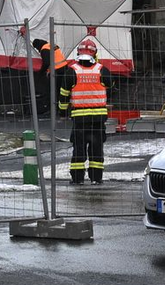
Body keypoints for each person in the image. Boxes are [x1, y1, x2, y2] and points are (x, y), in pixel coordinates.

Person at [57, 38, 112, 185]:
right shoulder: (102, 70)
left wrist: (62, 113)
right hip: (98, 119)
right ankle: (96, 178)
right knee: (97, 148)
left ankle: (77, 179)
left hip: (80, 119)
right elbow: (111, 88)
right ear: (94, 54)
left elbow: (63, 95)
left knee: (79, 149)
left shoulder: (71, 71)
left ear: (78, 53)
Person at [31, 37, 67, 115]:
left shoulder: (44, 49)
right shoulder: (51, 45)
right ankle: (62, 109)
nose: (38, 50)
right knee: (62, 90)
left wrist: (41, 72)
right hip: (64, 68)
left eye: (37, 49)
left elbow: (46, 62)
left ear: (38, 46)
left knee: (53, 90)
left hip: (56, 71)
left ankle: (53, 109)